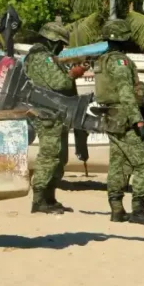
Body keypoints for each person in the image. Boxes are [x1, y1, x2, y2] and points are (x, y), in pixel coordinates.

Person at [94, 20, 144, 223]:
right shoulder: (121, 62)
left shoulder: (102, 61)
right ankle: (138, 211)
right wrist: (139, 122)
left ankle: (117, 209)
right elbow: (125, 93)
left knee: (119, 164)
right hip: (125, 119)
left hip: (111, 118)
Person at [23, 22, 85, 214]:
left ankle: (49, 199)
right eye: (60, 44)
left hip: (54, 113)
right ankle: (39, 200)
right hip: (47, 114)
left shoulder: (39, 57)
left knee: (59, 156)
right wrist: (73, 74)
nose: (61, 48)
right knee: (50, 155)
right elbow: (60, 84)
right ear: (52, 40)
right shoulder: (42, 58)